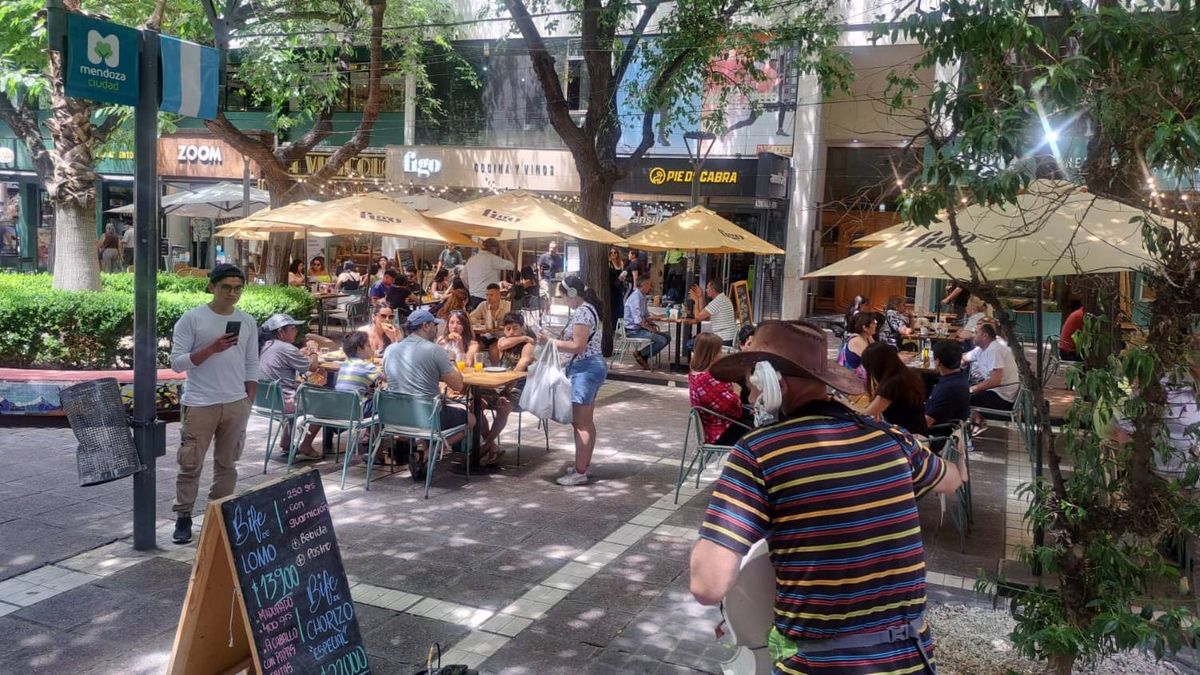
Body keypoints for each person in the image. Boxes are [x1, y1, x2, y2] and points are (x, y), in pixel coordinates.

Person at [689, 320, 966, 674]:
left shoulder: (757, 454)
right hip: (911, 659)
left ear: (773, 383)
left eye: (750, 384)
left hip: (818, 664)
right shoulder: (893, 439)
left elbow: (707, 585)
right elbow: (951, 479)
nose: (749, 396)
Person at [168, 264, 259, 544]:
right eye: (226, 288)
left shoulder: (247, 321)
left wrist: (248, 399)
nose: (232, 293)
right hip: (200, 402)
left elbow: (251, 363)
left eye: (237, 288)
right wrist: (212, 348)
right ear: (212, 287)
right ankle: (183, 516)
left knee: (227, 464)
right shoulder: (192, 319)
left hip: (235, 403)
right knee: (191, 463)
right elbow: (176, 363)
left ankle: (218, 516)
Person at [383, 309, 474, 478]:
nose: (436, 329)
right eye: (434, 325)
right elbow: (458, 385)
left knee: (431, 407)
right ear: (425, 326)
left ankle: (424, 456)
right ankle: (428, 454)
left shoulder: (390, 349)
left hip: (396, 417)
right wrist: (452, 359)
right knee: (471, 419)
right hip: (427, 417)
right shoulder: (434, 350)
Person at [537, 275, 607, 486]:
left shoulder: (583, 313)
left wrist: (551, 341)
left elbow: (578, 345)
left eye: (563, 296)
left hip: (584, 369)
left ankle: (580, 472)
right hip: (591, 367)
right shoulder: (588, 310)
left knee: (580, 424)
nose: (563, 300)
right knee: (587, 422)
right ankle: (584, 463)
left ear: (573, 294)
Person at [257, 313, 322, 461]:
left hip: (265, 401)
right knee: (324, 405)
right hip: (283, 403)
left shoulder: (265, 345)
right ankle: (306, 445)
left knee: (295, 391)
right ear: (281, 331)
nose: (296, 331)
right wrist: (313, 350)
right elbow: (313, 367)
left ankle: (286, 443)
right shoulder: (286, 348)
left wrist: (299, 354)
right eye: (293, 328)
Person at [689, 332, 748, 446]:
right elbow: (732, 408)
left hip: (716, 424)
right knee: (762, 431)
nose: (721, 354)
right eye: (719, 351)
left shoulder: (695, 372)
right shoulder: (705, 379)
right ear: (712, 354)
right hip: (720, 430)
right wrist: (737, 391)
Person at [861, 342, 929, 436]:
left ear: (876, 366)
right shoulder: (905, 374)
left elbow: (867, 415)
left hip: (909, 438)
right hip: (917, 431)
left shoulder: (892, 384)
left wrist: (846, 405)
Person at [964, 322, 1021, 435]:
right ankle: (977, 421)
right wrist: (960, 361)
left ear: (985, 336)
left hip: (1004, 399)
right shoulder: (983, 348)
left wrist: (973, 389)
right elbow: (965, 357)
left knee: (962, 397)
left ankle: (962, 431)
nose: (972, 335)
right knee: (964, 392)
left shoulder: (994, 350)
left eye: (976, 333)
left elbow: (996, 380)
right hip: (998, 391)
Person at [624, 276, 670, 370]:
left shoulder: (642, 296)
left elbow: (645, 316)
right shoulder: (635, 298)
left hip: (640, 328)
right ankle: (641, 354)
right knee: (662, 340)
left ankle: (643, 355)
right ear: (644, 285)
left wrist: (657, 318)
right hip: (632, 330)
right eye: (649, 284)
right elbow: (638, 320)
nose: (651, 286)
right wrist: (649, 328)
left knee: (667, 337)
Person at [925, 340, 971, 429]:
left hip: (937, 436)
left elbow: (925, 423)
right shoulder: (960, 377)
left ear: (938, 362)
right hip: (951, 428)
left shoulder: (948, 389)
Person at [463, 238, 515, 308]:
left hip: (473, 296)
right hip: (488, 297)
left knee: (475, 317)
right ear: (494, 248)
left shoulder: (471, 259)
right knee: (488, 318)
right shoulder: (493, 259)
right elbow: (513, 265)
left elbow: (463, 277)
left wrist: (471, 289)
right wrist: (505, 249)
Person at [688, 281, 739, 347]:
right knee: (697, 341)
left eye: (707, 288)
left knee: (695, 343)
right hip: (729, 337)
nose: (706, 290)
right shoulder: (724, 299)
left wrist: (696, 300)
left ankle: (701, 357)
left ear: (713, 290)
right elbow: (705, 316)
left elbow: (698, 317)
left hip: (723, 339)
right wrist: (700, 297)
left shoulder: (717, 302)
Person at [470, 283, 511, 357]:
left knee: (494, 350)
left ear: (499, 295)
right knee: (474, 347)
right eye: (487, 295)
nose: (488, 298)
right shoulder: (483, 305)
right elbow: (470, 318)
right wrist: (482, 322)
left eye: (491, 295)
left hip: (504, 335)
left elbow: (513, 323)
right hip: (490, 335)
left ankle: (495, 368)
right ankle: (482, 367)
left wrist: (501, 326)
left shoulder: (508, 306)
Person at [838, 311, 875, 381]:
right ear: (865, 328)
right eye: (873, 323)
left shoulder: (866, 338)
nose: (876, 325)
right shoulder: (857, 341)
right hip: (852, 384)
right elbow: (875, 360)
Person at [536, 240, 563, 314]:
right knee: (546, 296)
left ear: (556, 249)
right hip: (545, 279)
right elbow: (539, 267)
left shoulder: (559, 258)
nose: (551, 250)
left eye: (553, 248)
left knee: (550, 297)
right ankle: (543, 312)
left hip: (554, 280)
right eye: (550, 248)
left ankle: (547, 312)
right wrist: (539, 278)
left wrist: (559, 279)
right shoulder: (543, 256)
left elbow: (560, 270)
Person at [607, 248, 626, 333]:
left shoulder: (621, 263)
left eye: (615, 252)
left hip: (619, 287)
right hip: (612, 287)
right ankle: (612, 326)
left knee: (620, 307)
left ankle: (618, 326)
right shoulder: (609, 263)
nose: (613, 254)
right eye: (611, 253)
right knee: (613, 307)